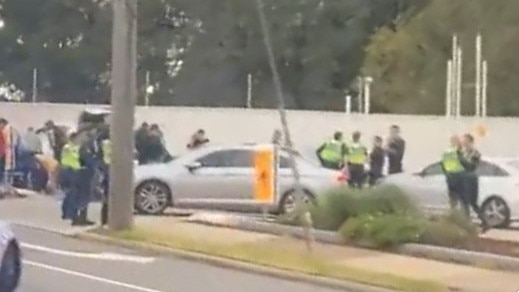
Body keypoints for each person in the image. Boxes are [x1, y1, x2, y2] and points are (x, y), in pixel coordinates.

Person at [459, 133, 489, 232]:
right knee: (467, 202)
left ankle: (470, 225)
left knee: (469, 202)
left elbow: (471, 166)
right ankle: (483, 223)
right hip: (464, 178)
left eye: (465, 140)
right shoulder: (463, 152)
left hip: (470, 179)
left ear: (469, 141)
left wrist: (461, 159)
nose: (463, 142)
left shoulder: (475, 153)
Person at [59, 132, 82, 222]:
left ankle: (67, 213)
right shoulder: (69, 147)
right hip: (70, 170)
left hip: (70, 170)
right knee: (72, 193)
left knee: (70, 193)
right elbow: (75, 157)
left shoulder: (71, 147)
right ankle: (70, 213)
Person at [441, 135, 465, 209]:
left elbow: (442, 163)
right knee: (461, 197)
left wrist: (446, 173)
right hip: (458, 175)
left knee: (452, 197)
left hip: (450, 176)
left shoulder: (447, 150)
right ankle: (460, 214)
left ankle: (453, 212)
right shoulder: (458, 150)